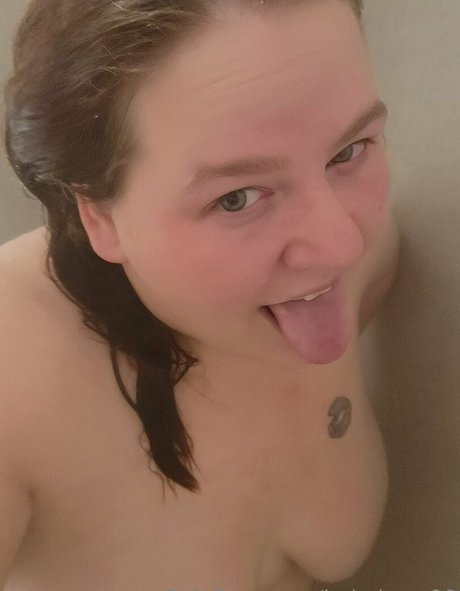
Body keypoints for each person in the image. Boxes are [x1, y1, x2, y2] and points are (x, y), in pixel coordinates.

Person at [0, 0, 401, 589]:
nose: (342, 245)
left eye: (348, 151)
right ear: (99, 216)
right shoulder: (13, 380)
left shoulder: (359, 262)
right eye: (237, 198)